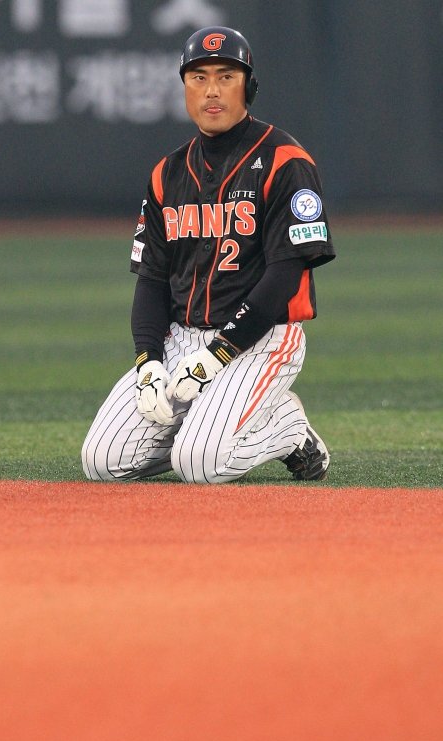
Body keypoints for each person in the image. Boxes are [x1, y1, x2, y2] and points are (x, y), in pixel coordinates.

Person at [82, 26, 336, 484]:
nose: (212, 90)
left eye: (226, 76)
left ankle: (287, 428)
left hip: (261, 340)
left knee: (200, 465)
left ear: (249, 86)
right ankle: (211, 425)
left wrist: (219, 354)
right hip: (182, 340)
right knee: (103, 463)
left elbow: (285, 273)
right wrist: (148, 360)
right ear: (184, 87)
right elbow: (152, 279)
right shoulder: (167, 173)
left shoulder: (285, 160)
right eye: (198, 77)